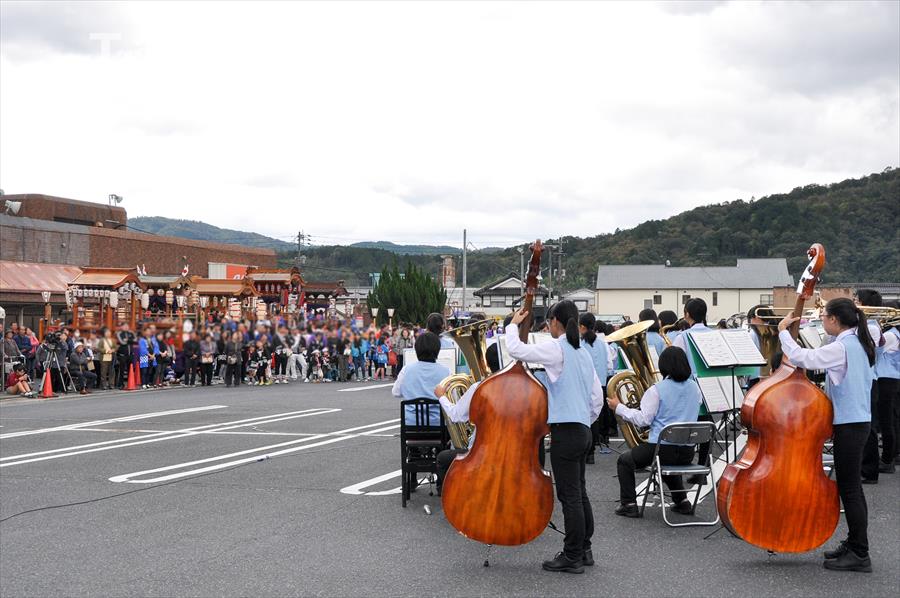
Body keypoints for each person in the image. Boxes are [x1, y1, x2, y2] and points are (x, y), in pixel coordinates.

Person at [778, 298, 876, 572]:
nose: (822, 320)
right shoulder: (857, 342)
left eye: (823, 316)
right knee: (851, 488)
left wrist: (783, 333)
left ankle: (860, 552)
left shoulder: (842, 346)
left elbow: (804, 358)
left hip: (851, 424)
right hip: (857, 421)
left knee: (850, 489)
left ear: (834, 320)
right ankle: (854, 543)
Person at [506, 300, 604, 574]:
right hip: (583, 429)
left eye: (549, 322)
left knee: (570, 496)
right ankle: (584, 549)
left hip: (567, 431)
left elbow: (517, 351)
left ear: (555, 322)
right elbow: (596, 398)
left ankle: (572, 555)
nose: (548, 326)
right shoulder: (583, 352)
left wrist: (513, 325)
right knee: (580, 493)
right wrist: (583, 420)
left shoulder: (556, 347)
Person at [609, 346, 701, 517]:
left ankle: (629, 504)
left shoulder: (657, 390)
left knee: (624, 461)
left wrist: (619, 407)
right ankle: (682, 501)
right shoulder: (695, 388)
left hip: (662, 451)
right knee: (666, 459)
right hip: (687, 452)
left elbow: (643, 420)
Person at [432, 343, 501, 491]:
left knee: (443, 458)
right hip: (511, 452)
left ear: (487, 364)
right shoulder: (520, 389)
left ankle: (458, 497)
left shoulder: (478, 388)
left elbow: (455, 415)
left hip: (481, 453)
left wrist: (441, 396)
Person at [855, 289, 896, 482]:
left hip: (877, 378)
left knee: (875, 423)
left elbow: (865, 351)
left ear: (864, 303)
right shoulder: (868, 326)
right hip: (875, 378)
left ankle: (873, 466)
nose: (854, 303)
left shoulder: (872, 328)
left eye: (856, 300)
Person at [672, 298, 715, 482]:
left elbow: (676, 364)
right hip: (712, 389)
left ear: (687, 314)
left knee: (685, 429)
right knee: (706, 429)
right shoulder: (714, 335)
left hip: (689, 390)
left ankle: (681, 468)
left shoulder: (682, 337)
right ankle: (702, 471)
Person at [391, 332, 450, 426]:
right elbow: (453, 398)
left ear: (416, 350)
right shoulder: (446, 371)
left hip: (411, 425)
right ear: (438, 350)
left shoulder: (406, 370)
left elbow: (396, 393)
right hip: (439, 425)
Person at [579, 313, 609, 465]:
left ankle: (585, 451)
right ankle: (592, 451)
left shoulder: (579, 344)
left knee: (585, 418)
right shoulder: (603, 343)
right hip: (601, 383)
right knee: (596, 416)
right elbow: (609, 364)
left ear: (582, 326)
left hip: (585, 385)